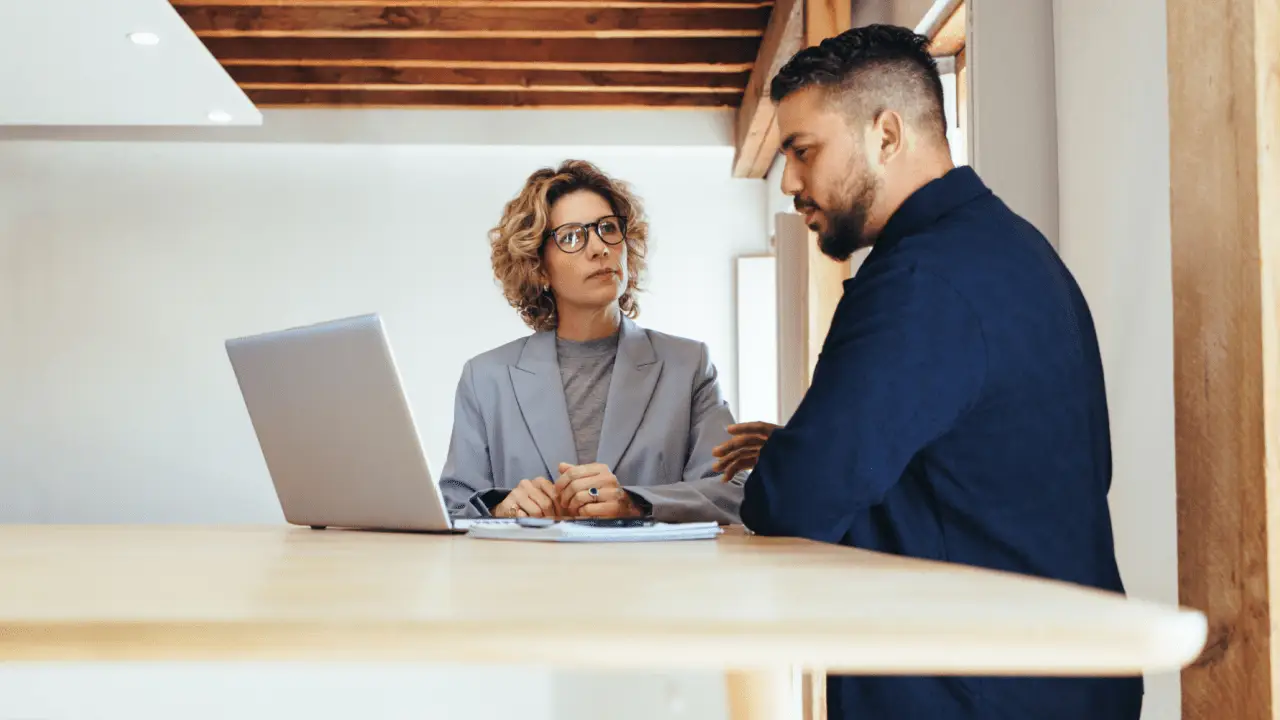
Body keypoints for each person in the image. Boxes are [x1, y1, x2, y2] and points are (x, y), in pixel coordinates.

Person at [712, 25, 1141, 720]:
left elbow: (795, 501)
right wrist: (805, 450)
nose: (789, 181)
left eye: (804, 150)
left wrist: (792, 459)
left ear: (886, 135)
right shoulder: (1011, 249)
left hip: (974, 689)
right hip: (1048, 678)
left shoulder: (921, 281)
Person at [438, 159, 744, 523]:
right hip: (529, 562)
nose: (599, 248)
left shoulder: (689, 364)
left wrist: (636, 502)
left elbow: (733, 493)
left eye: (608, 228)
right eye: (571, 236)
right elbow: (452, 506)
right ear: (538, 267)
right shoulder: (485, 378)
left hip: (652, 562)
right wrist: (501, 508)